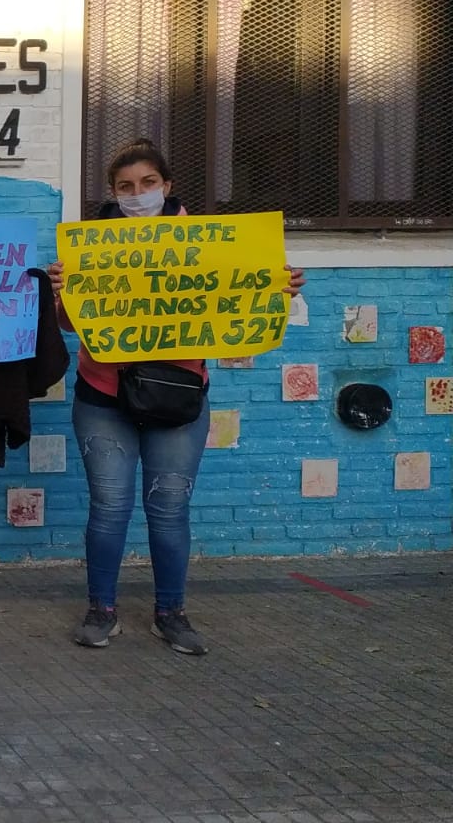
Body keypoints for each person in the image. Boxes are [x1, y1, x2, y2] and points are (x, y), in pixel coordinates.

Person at [48, 139, 304, 655]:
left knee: (169, 509)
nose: (137, 194)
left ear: (167, 186)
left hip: (179, 397)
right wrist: (64, 293)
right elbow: (73, 326)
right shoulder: (91, 247)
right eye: (125, 187)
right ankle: (102, 610)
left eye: (147, 184)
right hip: (103, 395)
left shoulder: (213, 244)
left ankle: (172, 613)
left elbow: (241, 299)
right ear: (112, 193)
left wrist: (278, 289)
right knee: (109, 507)